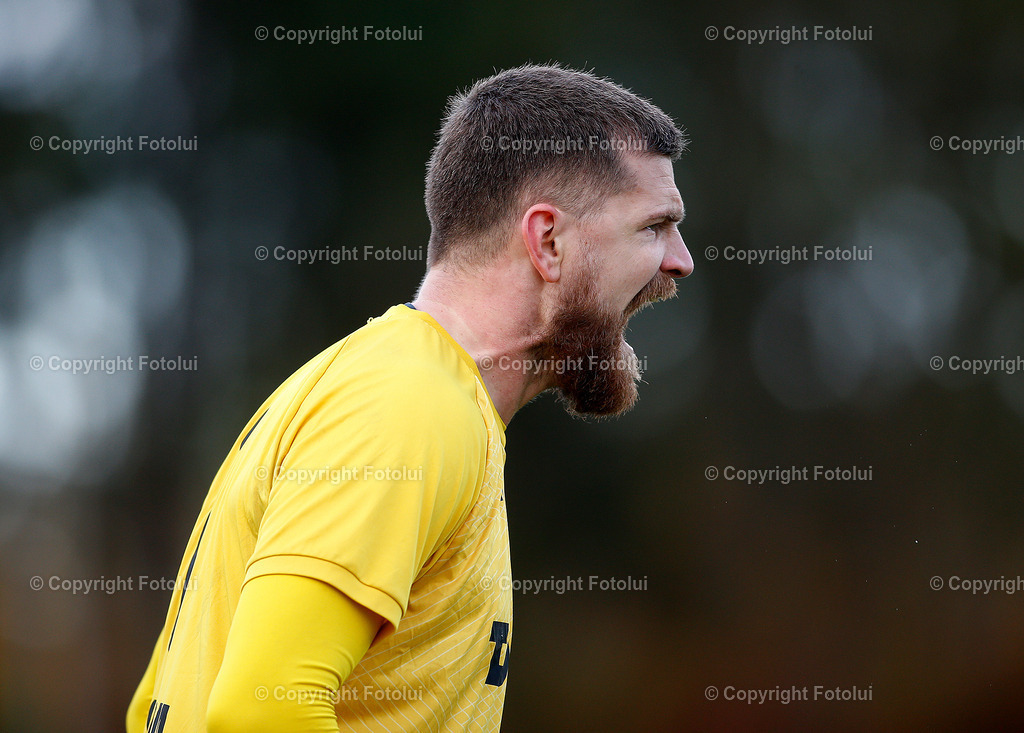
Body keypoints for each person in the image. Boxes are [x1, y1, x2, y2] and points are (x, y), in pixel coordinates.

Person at [127, 63, 693, 733]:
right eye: (655, 226)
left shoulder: (408, 390)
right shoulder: (407, 406)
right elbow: (257, 713)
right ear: (548, 241)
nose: (680, 259)